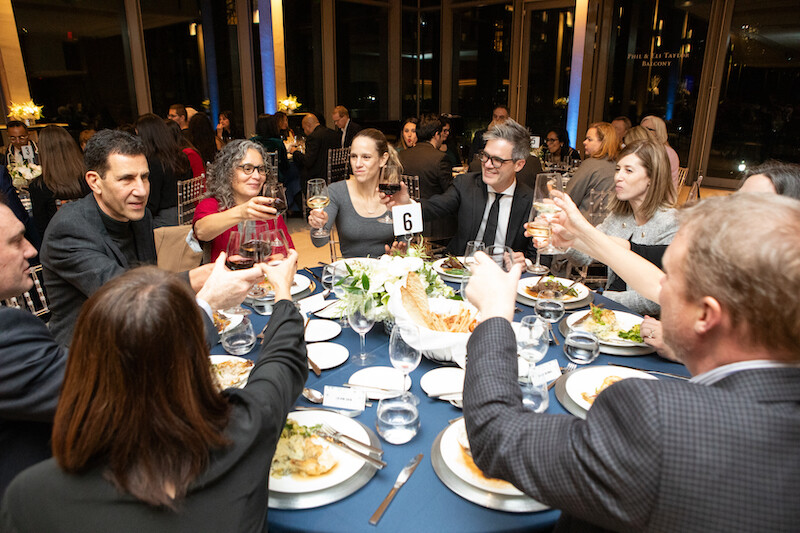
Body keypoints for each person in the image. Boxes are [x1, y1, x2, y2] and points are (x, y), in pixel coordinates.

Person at [462, 194, 800, 531]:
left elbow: (496, 436)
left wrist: (495, 313)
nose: (660, 288)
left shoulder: (660, 422)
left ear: (706, 315)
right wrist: (581, 233)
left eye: (670, 276)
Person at [1, 251, 307, 532]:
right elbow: (283, 360)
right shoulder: (247, 430)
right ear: (196, 363)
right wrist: (282, 291)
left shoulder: (31, 497)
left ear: (83, 364)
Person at [0, 194, 263, 500]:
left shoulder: (138, 220)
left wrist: (192, 280)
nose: (31, 250)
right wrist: (205, 307)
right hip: (61, 491)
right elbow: (111, 386)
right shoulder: (10, 332)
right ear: (95, 183)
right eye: (16, 241)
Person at [40, 130, 214, 346]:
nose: (141, 191)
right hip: (88, 352)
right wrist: (196, 279)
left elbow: (147, 280)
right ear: (95, 182)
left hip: (134, 331)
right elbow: (122, 293)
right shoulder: (69, 228)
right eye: (126, 179)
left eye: (145, 177)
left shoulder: (141, 217)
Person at [386, 119, 535, 263]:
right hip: (459, 271)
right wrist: (406, 203)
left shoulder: (529, 201)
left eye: (497, 160)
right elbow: (435, 207)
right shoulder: (466, 184)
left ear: (518, 164)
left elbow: (538, 257)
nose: (488, 165)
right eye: (485, 156)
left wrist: (524, 263)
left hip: (504, 278)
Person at [558, 139, 677, 315]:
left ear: (652, 178)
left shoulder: (670, 223)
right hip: (610, 314)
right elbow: (586, 256)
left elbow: (656, 301)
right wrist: (563, 240)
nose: (618, 177)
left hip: (642, 324)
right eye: (617, 169)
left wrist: (599, 297)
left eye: (628, 170)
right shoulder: (619, 215)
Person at [193, 139, 294, 262]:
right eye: (247, 168)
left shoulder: (268, 207)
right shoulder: (212, 204)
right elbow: (202, 231)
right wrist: (242, 212)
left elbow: (288, 253)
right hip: (227, 278)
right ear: (228, 172)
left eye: (261, 169)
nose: (257, 176)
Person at [308, 128, 401, 257]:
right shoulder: (336, 191)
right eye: (353, 156)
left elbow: (406, 241)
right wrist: (318, 225)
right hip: (351, 274)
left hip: (386, 272)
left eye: (366, 157)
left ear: (383, 159)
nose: (357, 164)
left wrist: (399, 253)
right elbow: (319, 242)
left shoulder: (393, 193)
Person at [27, 125, 90, 237]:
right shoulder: (88, 177)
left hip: (60, 244)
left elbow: (42, 228)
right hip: (93, 239)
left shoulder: (39, 186)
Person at [135, 113, 192, 227]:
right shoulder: (180, 156)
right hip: (187, 213)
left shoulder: (154, 162)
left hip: (166, 220)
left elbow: (152, 203)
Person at [566, 122, 619, 215]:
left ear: (603, 143)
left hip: (586, 224)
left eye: (589, 139)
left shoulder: (590, 164)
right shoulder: (619, 165)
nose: (584, 142)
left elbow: (569, 198)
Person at [292, 113, 340, 187]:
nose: (304, 132)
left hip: (318, 178)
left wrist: (295, 152)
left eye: (304, 128)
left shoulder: (313, 137)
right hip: (336, 176)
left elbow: (308, 162)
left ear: (308, 125)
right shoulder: (334, 134)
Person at [641, 115, 680, 188]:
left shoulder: (667, 153)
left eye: (648, 129)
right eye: (641, 129)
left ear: (659, 132)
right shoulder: (645, 149)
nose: (643, 132)